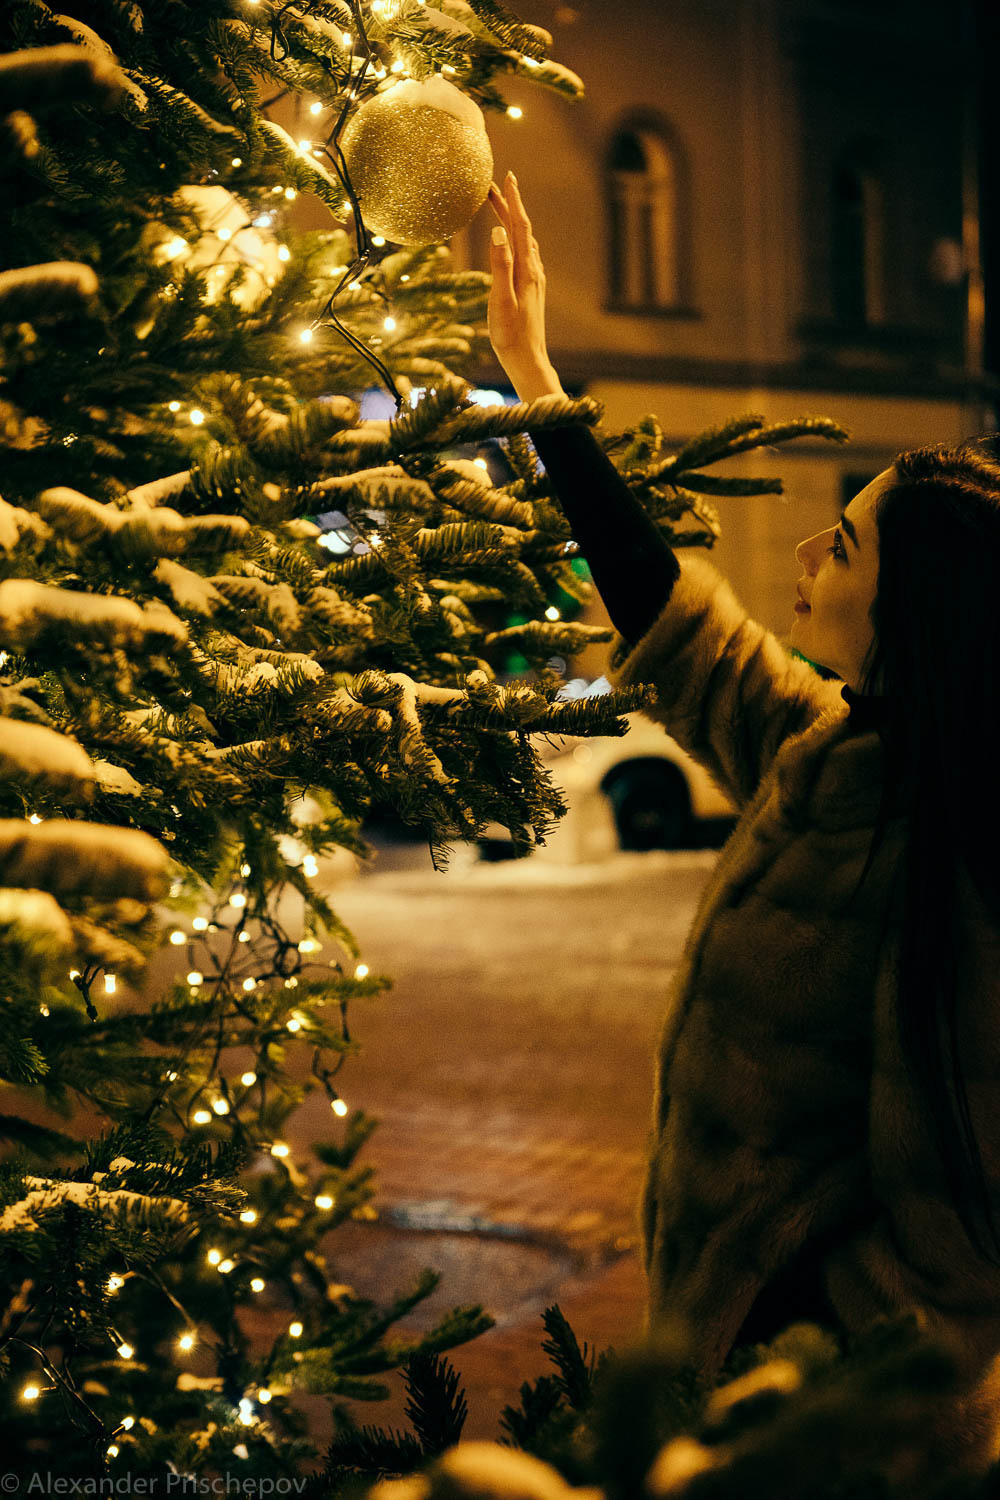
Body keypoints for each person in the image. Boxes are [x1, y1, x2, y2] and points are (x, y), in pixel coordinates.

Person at [486, 169, 1000, 1473]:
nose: (809, 561)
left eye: (844, 545)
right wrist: (534, 377)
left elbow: (967, 1233)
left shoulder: (958, 846)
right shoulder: (840, 753)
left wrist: (793, 1348)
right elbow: (679, 626)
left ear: (910, 617)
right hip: (751, 1386)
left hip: (838, 1437)